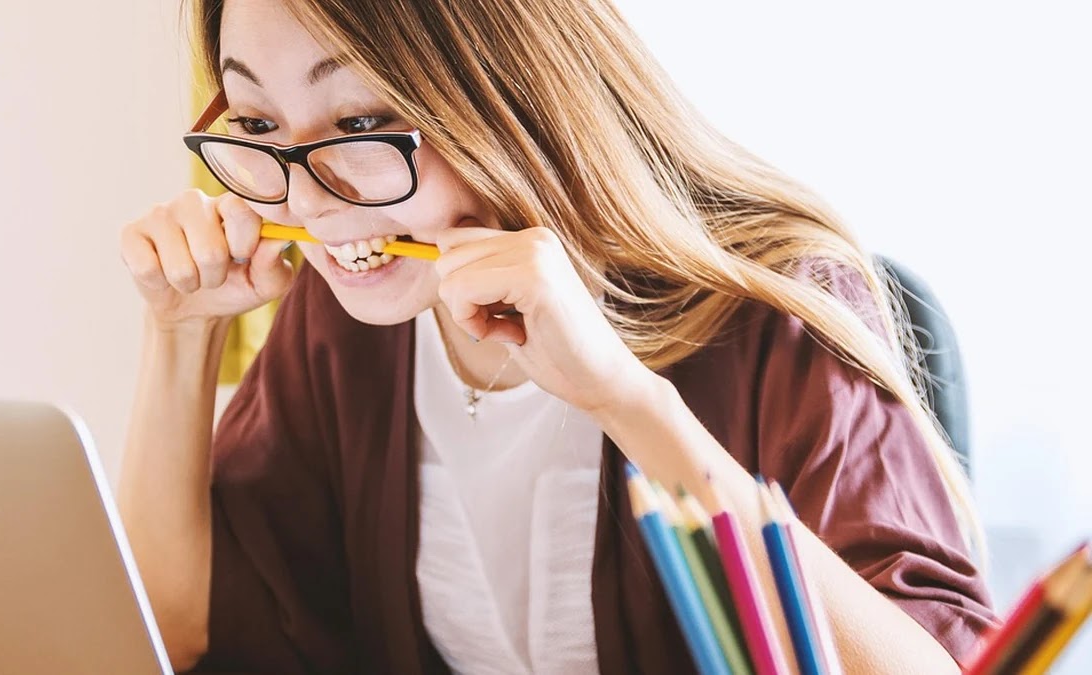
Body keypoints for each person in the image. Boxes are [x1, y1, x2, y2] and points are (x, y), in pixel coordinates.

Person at [117, 0, 997, 672]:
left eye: (358, 124)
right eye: (259, 125)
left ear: (509, 94)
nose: (306, 201)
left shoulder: (779, 310)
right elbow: (178, 625)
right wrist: (179, 334)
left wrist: (624, 398)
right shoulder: (352, 318)